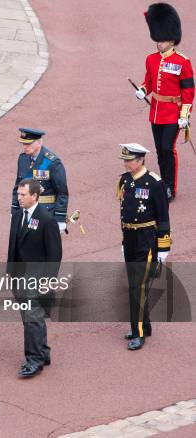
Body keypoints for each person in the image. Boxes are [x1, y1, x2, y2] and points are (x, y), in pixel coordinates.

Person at [136, 3, 194, 201]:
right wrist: (142, 90)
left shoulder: (183, 62)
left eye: (162, 40)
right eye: (157, 39)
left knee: (168, 148)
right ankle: (163, 182)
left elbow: (188, 91)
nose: (158, 43)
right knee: (160, 150)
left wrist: (184, 115)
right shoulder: (151, 59)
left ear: (171, 39)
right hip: (156, 112)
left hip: (173, 113)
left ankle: (170, 187)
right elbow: (149, 82)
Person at [117, 143, 171, 350]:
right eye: (125, 159)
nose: (125, 163)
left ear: (140, 160)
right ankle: (144, 325)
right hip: (130, 237)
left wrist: (163, 247)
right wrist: (124, 240)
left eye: (129, 160)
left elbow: (163, 218)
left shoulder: (155, 184)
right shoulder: (125, 180)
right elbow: (124, 213)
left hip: (147, 239)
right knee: (133, 283)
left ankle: (138, 332)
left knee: (137, 286)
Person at [7, 178, 62, 378]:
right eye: (18, 194)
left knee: (32, 320)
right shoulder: (17, 216)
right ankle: (43, 352)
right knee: (30, 319)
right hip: (18, 276)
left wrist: (48, 280)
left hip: (36, 278)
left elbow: (55, 254)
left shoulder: (47, 220)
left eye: (23, 195)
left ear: (35, 196)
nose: (18, 198)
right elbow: (13, 245)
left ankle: (34, 360)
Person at [11, 128, 68, 230]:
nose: (24, 147)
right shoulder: (23, 159)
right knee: (24, 241)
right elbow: (18, 186)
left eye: (28, 144)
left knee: (39, 242)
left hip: (43, 211)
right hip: (25, 210)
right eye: (23, 144)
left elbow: (62, 192)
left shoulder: (52, 162)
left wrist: (60, 219)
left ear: (39, 142)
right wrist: (14, 211)